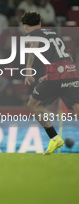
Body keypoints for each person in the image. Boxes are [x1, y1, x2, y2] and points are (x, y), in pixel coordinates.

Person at [21, 11, 79, 155]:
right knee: (76, 106)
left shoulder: (32, 35)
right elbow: (65, 53)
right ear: (40, 24)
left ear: (25, 26)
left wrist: (28, 69)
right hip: (70, 70)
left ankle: (54, 138)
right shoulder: (53, 33)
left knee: (33, 104)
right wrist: (51, 73)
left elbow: (34, 47)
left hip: (57, 74)